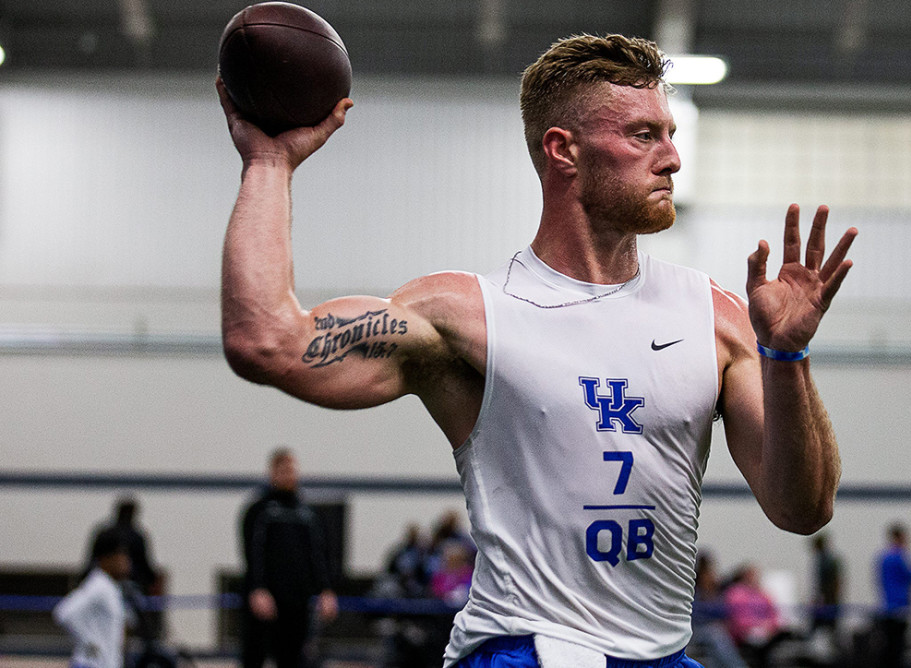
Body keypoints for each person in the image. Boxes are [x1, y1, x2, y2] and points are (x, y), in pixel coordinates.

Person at [218, 32, 855, 668]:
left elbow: (803, 509)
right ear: (563, 150)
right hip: (526, 650)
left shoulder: (717, 317)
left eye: (670, 134)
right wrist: (268, 165)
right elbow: (268, 343)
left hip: (664, 655)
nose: (672, 159)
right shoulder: (469, 317)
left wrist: (787, 358)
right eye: (643, 136)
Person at [239, 447, 339, 668]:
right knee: (255, 656)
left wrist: (325, 590)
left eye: (292, 470)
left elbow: (319, 555)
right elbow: (252, 552)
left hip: (296, 601)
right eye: (282, 470)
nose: (288, 475)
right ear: (272, 473)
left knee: (293, 658)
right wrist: (258, 588)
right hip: (266, 600)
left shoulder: (307, 514)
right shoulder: (260, 511)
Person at [54, 528, 132, 668]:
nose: (126, 561)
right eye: (122, 555)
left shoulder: (111, 587)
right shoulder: (98, 585)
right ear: (107, 558)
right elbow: (64, 612)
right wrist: (90, 644)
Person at [86, 497, 160, 596]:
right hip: (130, 584)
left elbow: (91, 560)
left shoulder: (104, 533)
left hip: (104, 580)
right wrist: (152, 580)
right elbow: (144, 564)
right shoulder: (136, 536)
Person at [877, 523, 911, 668]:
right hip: (899, 606)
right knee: (898, 645)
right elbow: (909, 576)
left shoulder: (883, 557)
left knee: (888, 643)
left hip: (887, 606)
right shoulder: (900, 556)